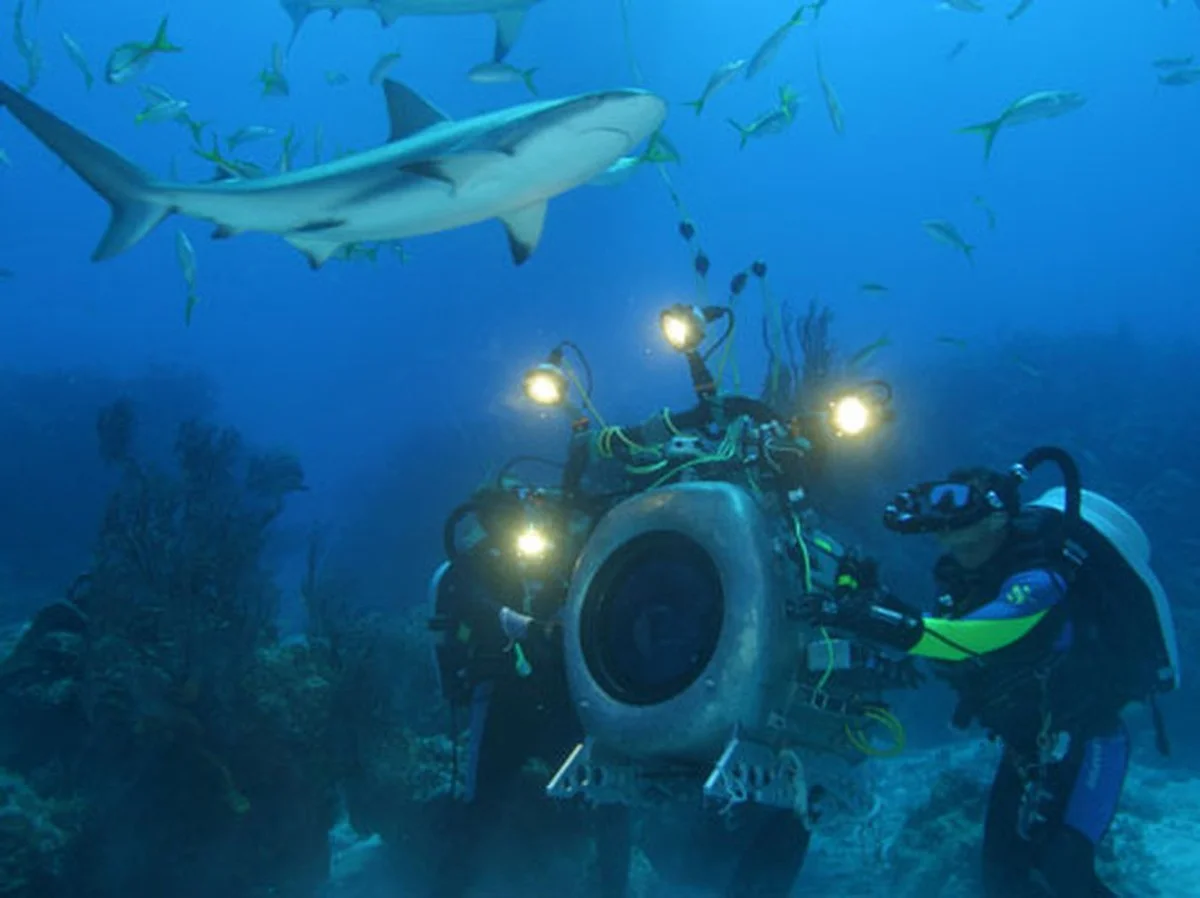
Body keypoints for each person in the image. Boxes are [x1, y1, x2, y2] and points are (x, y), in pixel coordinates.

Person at [808, 447, 1179, 898]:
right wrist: (873, 601)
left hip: (1087, 739)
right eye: (943, 502)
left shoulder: (1042, 576)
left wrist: (871, 618)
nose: (949, 518)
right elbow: (947, 646)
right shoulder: (967, 583)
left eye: (964, 503)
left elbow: (969, 638)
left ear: (1000, 516)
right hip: (1025, 748)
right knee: (1001, 878)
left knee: (1067, 868)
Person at [426, 483, 632, 898]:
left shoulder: (554, 558)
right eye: (500, 518)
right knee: (478, 806)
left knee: (609, 792)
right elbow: (474, 606)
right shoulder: (470, 566)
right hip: (500, 699)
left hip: (558, 699)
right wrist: (529, 627)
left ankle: (613, 886)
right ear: (484, 521)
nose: (511, 526)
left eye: (516, 516)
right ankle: (451, 887)